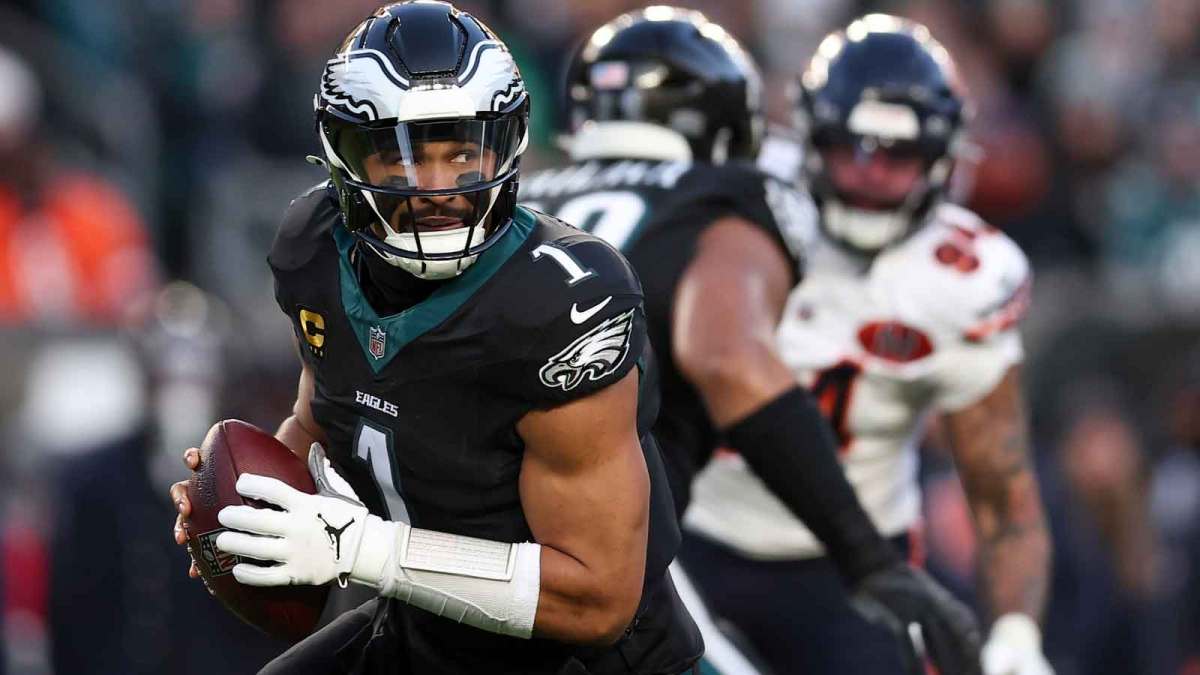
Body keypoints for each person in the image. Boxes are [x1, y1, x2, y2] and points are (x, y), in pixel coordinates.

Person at [170, 2, 703, 673]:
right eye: (404, 156)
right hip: (428, 626)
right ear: (344, 153)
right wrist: (249, 512)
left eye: (462, 151)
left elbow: (599, 599)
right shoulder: (314, 246)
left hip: (577, 659)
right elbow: (326, 414)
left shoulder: (560, 300)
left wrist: (364, 549)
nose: (439, 188)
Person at [520, 7, 981, 675]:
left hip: (436, 551)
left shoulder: (522, 201)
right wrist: (868, 557)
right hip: (591, 566)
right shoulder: (732, 192)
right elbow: (726, 357)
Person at [681, 15, 1053, 674]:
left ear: (943, 157)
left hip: (857, 568)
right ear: (808, 137)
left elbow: (1002, 496)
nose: (867, 175)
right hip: (693, 537)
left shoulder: (957, 279)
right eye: (848, 149)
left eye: (896, 158)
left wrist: (1016, 636)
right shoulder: (737, 200)